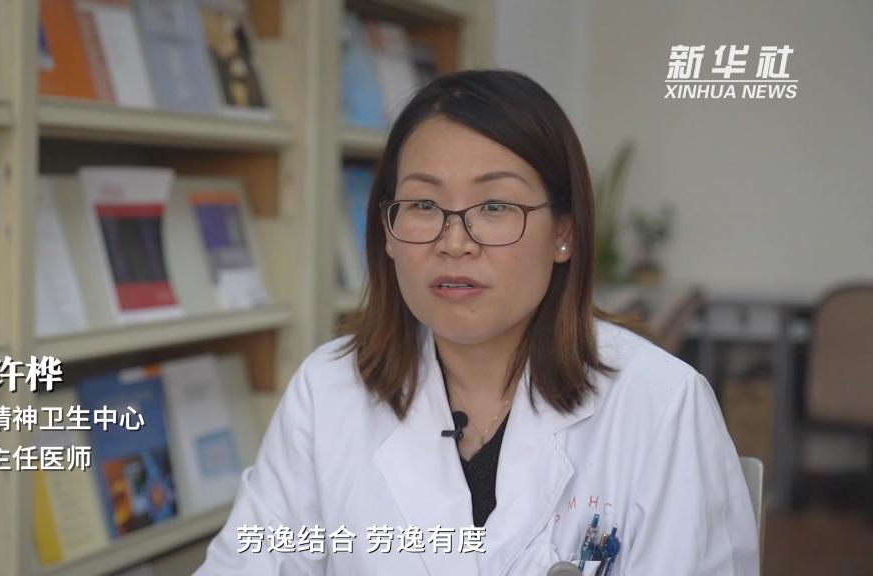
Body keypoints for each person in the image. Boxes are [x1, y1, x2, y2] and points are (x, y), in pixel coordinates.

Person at [194, 69, 759, 575]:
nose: (454, 242)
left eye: (494, 207)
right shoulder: (328, 391)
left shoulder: (661, 405)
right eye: (424, 206)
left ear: (564, 232)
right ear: (387, 232)